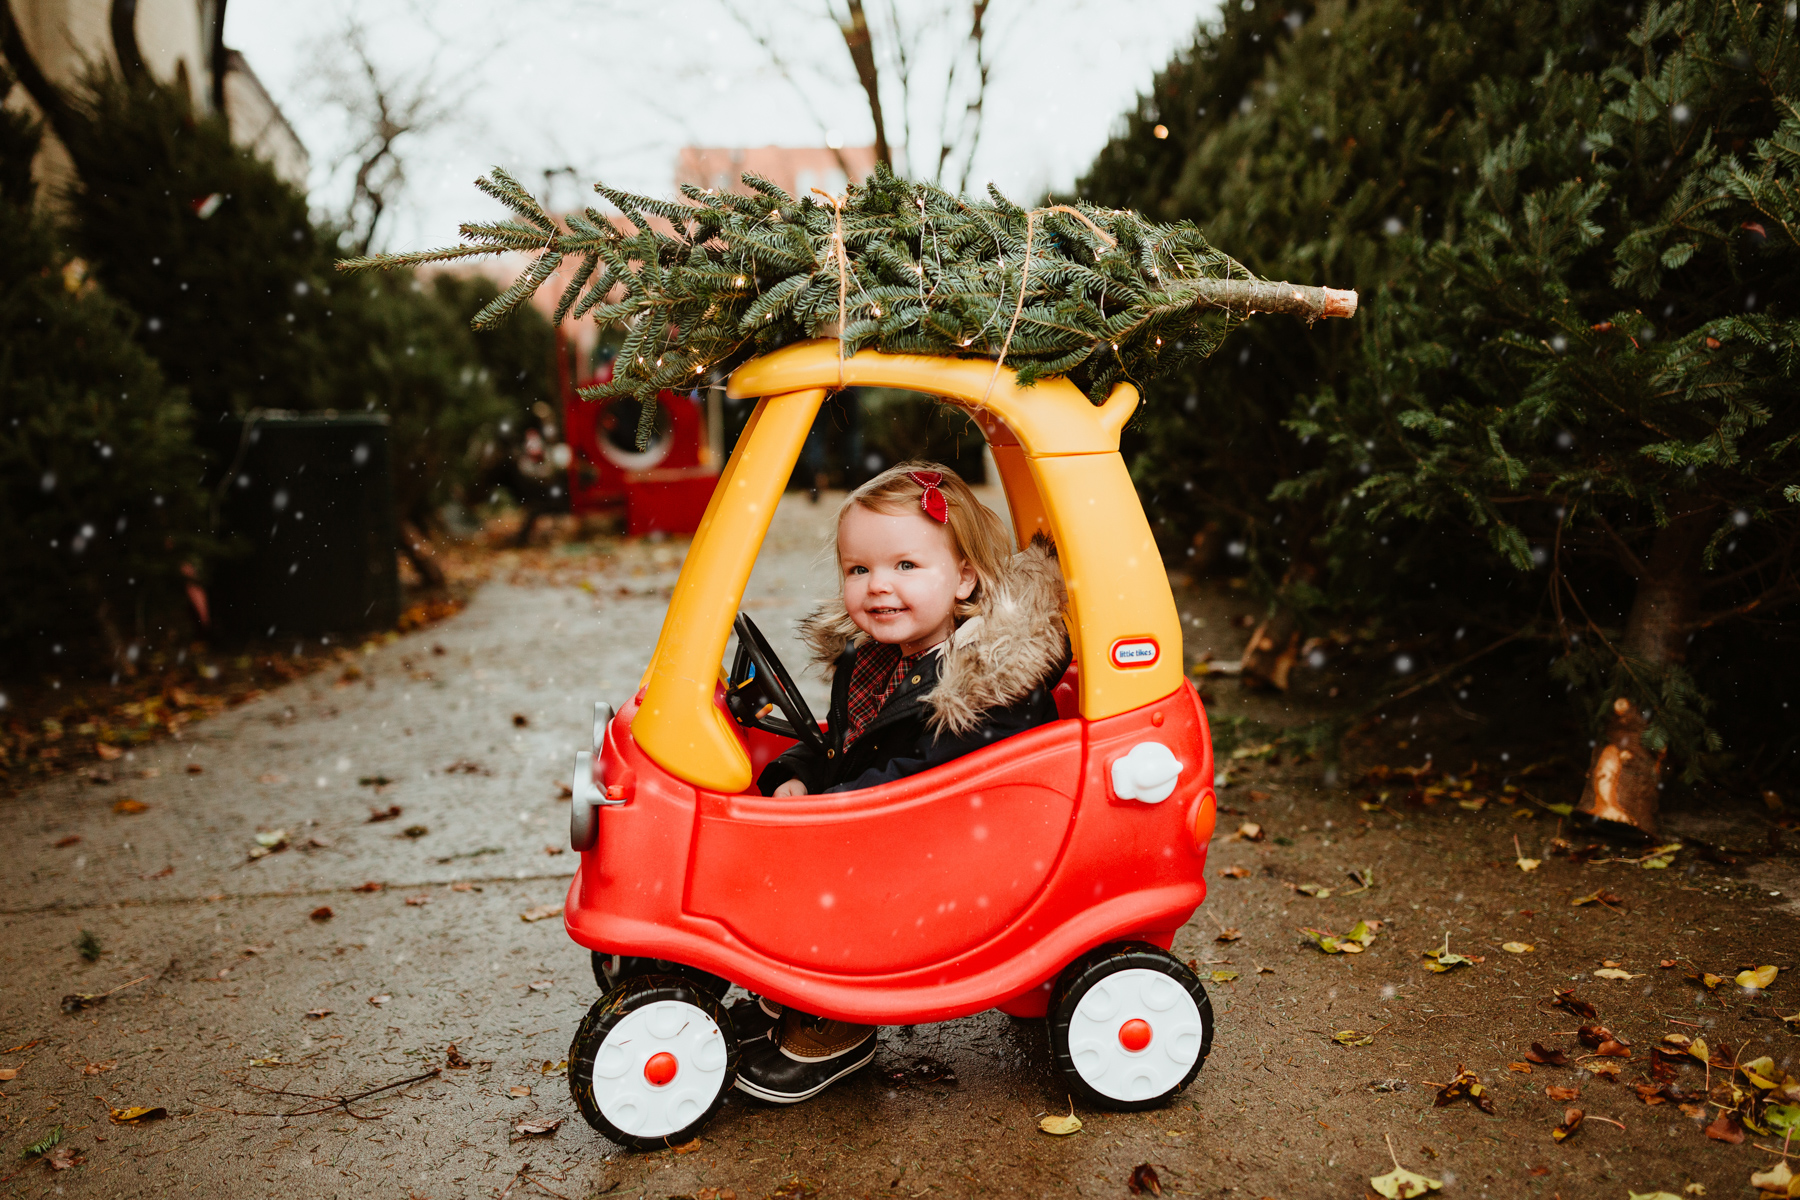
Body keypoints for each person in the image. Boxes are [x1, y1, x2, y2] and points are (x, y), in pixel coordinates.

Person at [732, 462, 1071, 1104]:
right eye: (859, 570)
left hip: (963, 858)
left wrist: (833, 812)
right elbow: (844, 744)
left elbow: (918, 784)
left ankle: (838, 1017)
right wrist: (799, 774)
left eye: (905, 567)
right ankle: (784, 990)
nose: (878, 587)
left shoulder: (984, 685)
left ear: (964, 576)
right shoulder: (875, 659)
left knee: (813, 869)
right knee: (778, 843)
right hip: (901, 832)